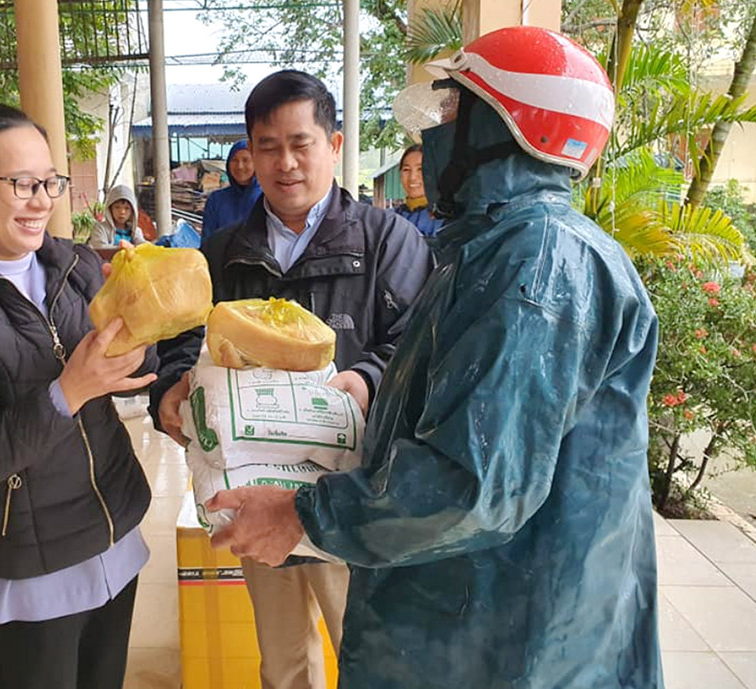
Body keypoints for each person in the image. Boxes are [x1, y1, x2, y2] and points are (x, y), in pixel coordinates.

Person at [206, 27, 664, 689]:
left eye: (453, 113)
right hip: (479, 617)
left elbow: (472, 483)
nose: (433, 135)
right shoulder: (491, 249)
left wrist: (301, 515)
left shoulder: (537, 264)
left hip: (514, 640)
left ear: (507, 128)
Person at [150, 71, 432, 689]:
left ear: (333, 146)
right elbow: (181, 340)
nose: (285, 163)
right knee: (281, 662)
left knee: (365, 654)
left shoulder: (390, 242)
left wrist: (366, 378)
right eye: (267, 146)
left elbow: (418, 347)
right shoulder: (221, 252)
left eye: (301, 143)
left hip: (348, 498)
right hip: (255, 489)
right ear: (249, 152)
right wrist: (170, 388)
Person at [0, 103, 158, 689]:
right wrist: (71, 388)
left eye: (49, 181)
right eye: (20, 183)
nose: (42, 199)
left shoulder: (74, 264)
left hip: (114, 535)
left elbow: (142, 365)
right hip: (34, 563)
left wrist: (148, 338)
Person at [201, 139, 261, 242]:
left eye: (246, 160)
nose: (240, 166)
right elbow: (207, 240)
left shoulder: (267, 198)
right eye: (234, 160)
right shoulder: (216, 200)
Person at [392, 144, 443, 236]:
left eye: (421, 169)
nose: (412, 177)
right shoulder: (390, 218)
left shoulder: (446, 220)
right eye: (406, 170)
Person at [89, 183, 146, 248]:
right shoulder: (100, 229)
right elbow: (99, 247)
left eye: (126, 208)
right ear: (110, 209)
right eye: (117, 207)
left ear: (132, 212)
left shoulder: (135, 231)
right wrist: (122, 248)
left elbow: (142, 246)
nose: (122, 212)